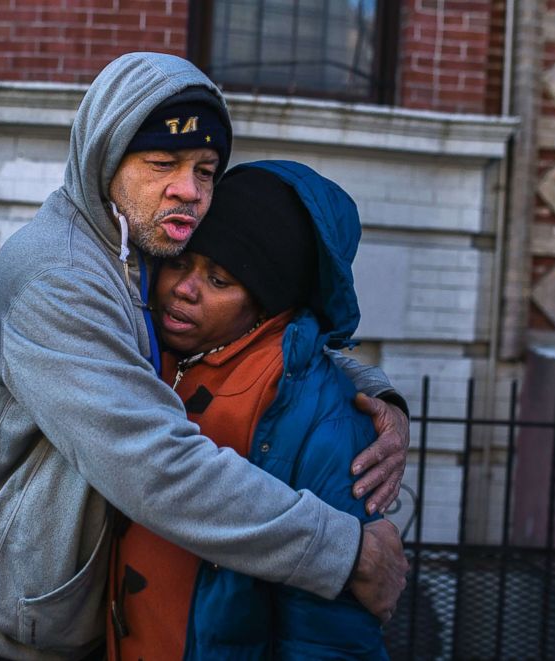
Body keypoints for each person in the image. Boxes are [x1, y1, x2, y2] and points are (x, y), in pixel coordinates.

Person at [0, 52, 408, 660]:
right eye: (162, 162)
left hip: (71, 627)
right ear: (106, 154)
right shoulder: (58, 278)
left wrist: (372, 392)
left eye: (205, 169)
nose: (188, 191)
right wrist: (344, 550)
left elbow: (248, 329)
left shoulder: (138, 249)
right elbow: (154, 465)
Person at [109, 161, 392, 659]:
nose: (184, 289)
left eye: (219, 280)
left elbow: (327, 637)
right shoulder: (134, 347)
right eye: (180, 262)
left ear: (266, 303)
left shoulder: (321, 417)